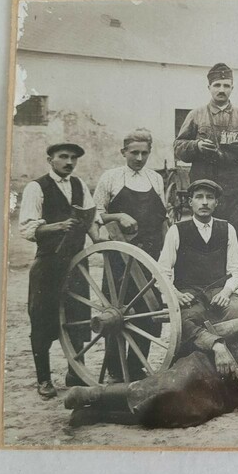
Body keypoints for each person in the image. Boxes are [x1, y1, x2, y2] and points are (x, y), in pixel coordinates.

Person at [63, 283, 238, 427]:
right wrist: (217, 346)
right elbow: (199, 330)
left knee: (187, 414)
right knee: (170, 387)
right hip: (204, 368)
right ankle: (93, 394)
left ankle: (95, 414)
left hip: (229, 394)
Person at [19, 142, 106, 398]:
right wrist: (58, 227)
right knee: (43, 319)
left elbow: (90, 219)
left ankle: (75, 373)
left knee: (77, 319)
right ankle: (44, 380)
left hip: (77, 263)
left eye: (73, 159)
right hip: (48, 264)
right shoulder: (37, 187)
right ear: (50, 160)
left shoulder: (79, 185)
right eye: (63, 157)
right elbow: (27, 229)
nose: (69, 162)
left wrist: (98, 241)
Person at [94, 128, 168, 380]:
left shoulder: (155, 179)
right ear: (123, 152)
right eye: (133, 153)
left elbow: (163, 217)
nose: (139, 158)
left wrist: (168, 250)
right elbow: (95, 214)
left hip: (150, 253)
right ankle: (115, 369)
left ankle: (136, 366)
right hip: (119, 256)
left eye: (144, 153)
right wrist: (118, 216)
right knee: (118, 313)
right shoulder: (111, 178)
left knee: (148, 311)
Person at [174, 63, 238, 258]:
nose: (221, 90)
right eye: (217, 85)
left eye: (226, 86)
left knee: (234, 236)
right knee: (203, 235)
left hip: (234, 187)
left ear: (232, 88)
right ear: (209, 87)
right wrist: (197, 146)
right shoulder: (196, 115)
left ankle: (232, 281)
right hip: (204, 181)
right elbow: (179, 147)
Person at [157, 179, 238, 326]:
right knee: (190, 319)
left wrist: (226, 292)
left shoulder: (227, 229)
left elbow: (237, 270)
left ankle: (229, 347)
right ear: (190, 201)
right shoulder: (176, 231)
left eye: (210, 197)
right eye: (199, 197)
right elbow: (161, 271)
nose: (205, 202)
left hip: (219, 290)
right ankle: (212, 346)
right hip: (189, 293)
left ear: (216, 203)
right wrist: (176, 294)